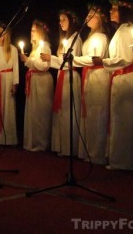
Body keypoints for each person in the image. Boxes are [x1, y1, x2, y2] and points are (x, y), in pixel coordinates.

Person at [93, 0, 133, 170]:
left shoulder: (127, 31)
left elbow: (128, 58)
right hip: (121, 79)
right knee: (119, 120)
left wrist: (103, 62)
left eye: (115, 9)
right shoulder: (121, 30)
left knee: (125, 120)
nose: (111, 12)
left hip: (127, 80)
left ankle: (125, 161)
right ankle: (118, 158)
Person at [41, 9, 82, 156]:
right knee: (62, 112)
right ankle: (61, 146)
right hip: (62, 77)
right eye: (59, 20)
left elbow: (71, 62)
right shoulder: (65, 40)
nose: (61, 23)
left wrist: (50, 59)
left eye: (64, 19)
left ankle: (69, 147)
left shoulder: (76, 38)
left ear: (71, 21)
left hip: (70, 77)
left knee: (68, 111)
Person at [73, 6, 110, 165]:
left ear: (99, 18)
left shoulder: (100, 37)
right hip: (90, 77)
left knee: (97, 114)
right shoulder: (90, 36)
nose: (88, 17)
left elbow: (94, 59)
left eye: (91, 15)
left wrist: (74, 60)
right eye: (87, 14)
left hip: (98, 78)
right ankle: (89, 150)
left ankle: (97, 153)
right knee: (90, 115)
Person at [19, 19, 53, 151]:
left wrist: (28, 61)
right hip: (34, 80)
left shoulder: (45, 47)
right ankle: (33, 141)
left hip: (41, 81)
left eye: (34, 30)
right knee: (34, 111)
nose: (31, 32)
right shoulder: (36, 47)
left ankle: (41, 142)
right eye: (31, 30)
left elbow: (44, 66)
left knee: (41, 112)